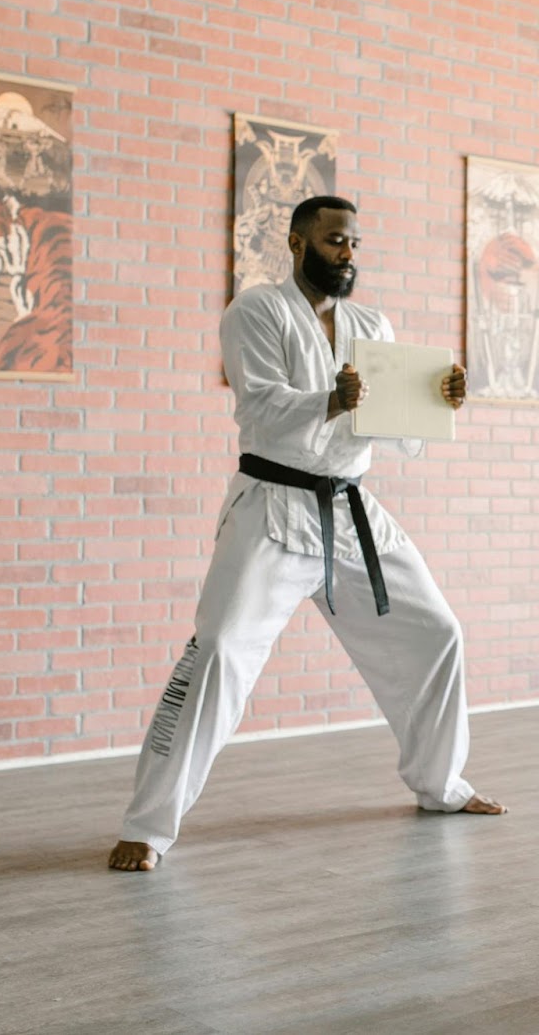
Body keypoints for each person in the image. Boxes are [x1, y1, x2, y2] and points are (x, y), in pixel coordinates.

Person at [109, 195, 505, 873]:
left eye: (353, 244)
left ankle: (442, 786)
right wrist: (329, 400)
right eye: (334, 242)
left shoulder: (368, 322)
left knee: (437, 632)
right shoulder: (254, 312)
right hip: (271, 508)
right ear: (296, 243)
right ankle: (148, 825)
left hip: (350, 509)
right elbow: (258, 405)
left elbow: (394, 428)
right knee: (221, 651)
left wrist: (437, 398)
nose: (348, 254)